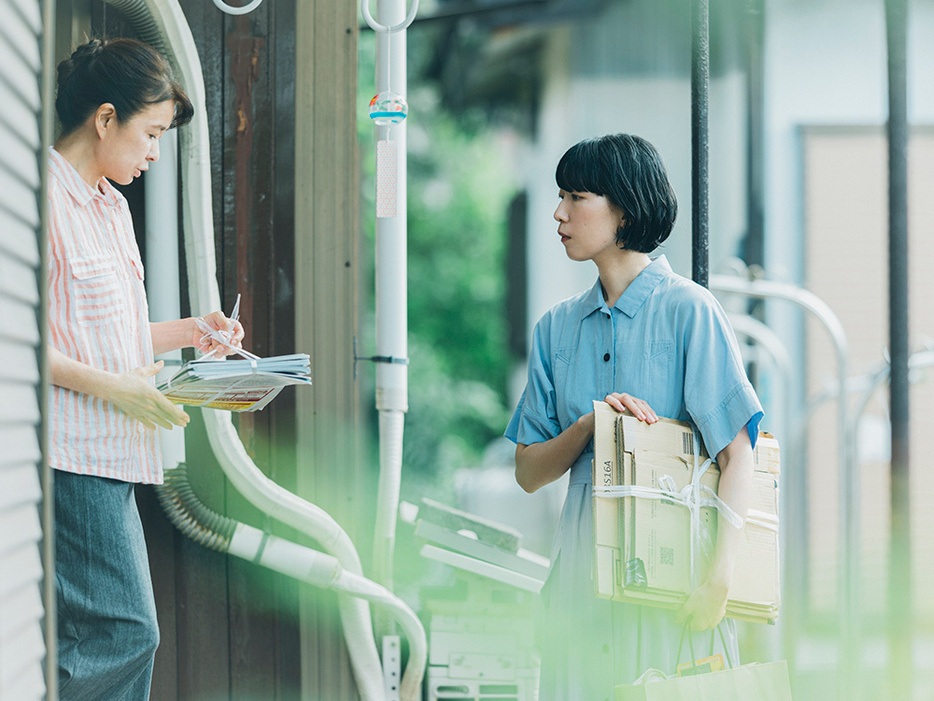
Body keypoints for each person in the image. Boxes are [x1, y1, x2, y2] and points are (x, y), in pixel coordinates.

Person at [505, 134, 763, 700]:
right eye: (559, 197)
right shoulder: (556, 329)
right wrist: (587, 427)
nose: (559, 213)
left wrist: (719, 578)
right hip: (579, 596)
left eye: (575, 197)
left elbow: (738, 452)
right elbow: (527, 473)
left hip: (672, 590)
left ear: (622, 207)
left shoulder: (690, 311)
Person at [47, 37, 244, 700]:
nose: (156, 152)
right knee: (125, 633)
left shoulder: (108, 206)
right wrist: (121, 391)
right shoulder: (39, 200)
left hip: (111, 453)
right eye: (151, 133)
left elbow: (112, 337)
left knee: (116, 635)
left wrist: (192, 333)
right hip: (70, 455)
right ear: (106, 119)